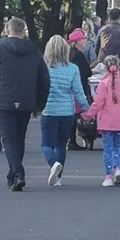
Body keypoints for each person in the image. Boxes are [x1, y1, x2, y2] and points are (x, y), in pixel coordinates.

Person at [0, 17, 50, 191]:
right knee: (19, 138)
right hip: (27, 100)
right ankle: (13, 175)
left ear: (7, 29)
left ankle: (17, 172)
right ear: (23, 31)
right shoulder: (34, 51)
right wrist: (40, 104)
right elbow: (44, 79)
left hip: (4, 99)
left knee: (9, 138)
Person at [40, 35, 90, 188]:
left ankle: (53, 163)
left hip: (48, 110)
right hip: (67, 111)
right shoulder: (73, 69)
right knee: (61, 144)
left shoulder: (44, 68)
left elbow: (38, 89)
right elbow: (78, 92)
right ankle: (58, 178)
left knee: (46, 145)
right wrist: (87, 109)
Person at [82, 56, 120, 187]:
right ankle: (117, 169)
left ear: (105, 69)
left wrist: (88, 115)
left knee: (108, 148)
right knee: (117, 147)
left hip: (106, 121)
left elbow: (98, 103)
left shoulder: (103, 84)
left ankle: (108, 176)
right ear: (119, 68)